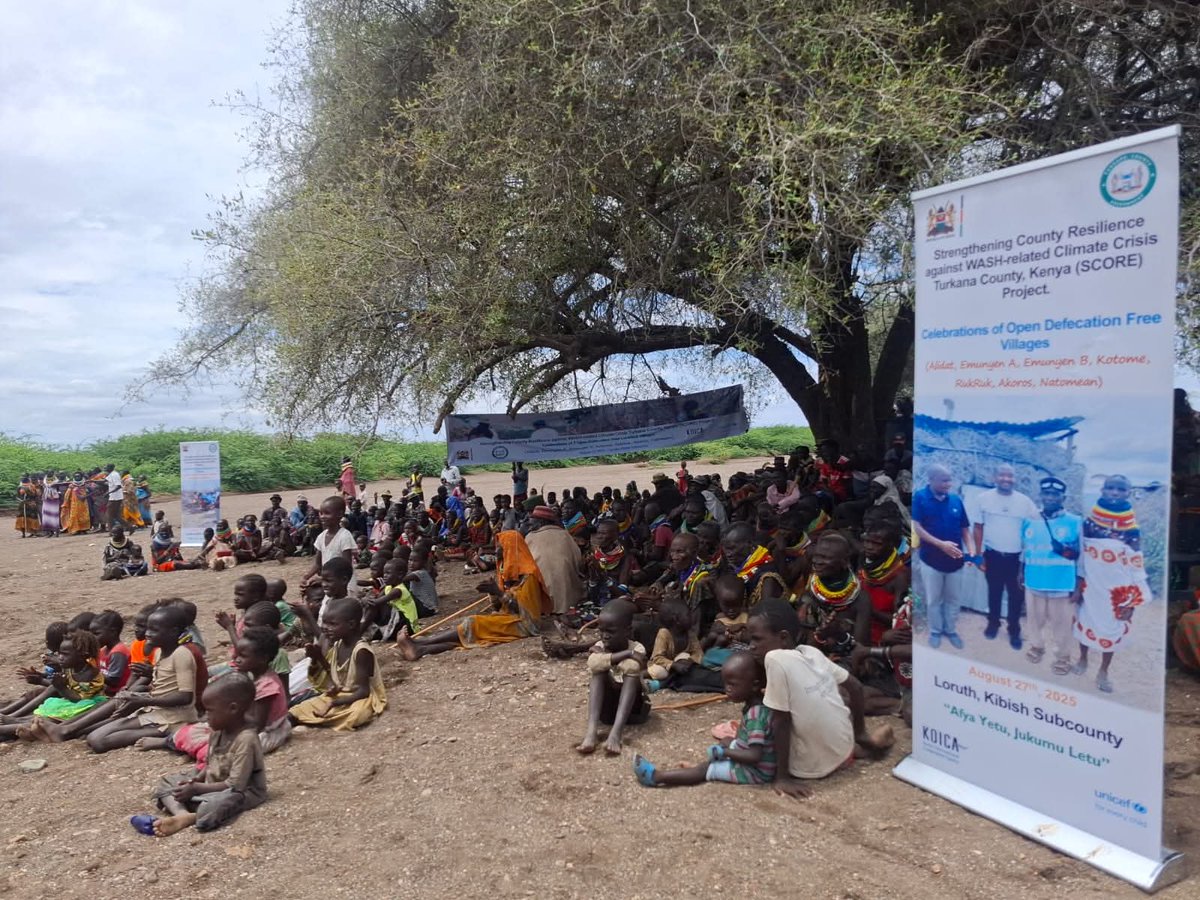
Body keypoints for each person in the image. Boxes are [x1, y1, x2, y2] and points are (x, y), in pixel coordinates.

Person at [747, 599, 893, 797]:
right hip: (843, 749)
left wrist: (782, 777)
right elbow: (856, 687)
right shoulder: (811, 652)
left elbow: (782, 721)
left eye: (757, 639)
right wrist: (860, 732)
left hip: (811, 767)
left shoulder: (775, 659)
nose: (751, 646)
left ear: (782, 638)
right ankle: (861, 744)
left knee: (757, 720)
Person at [135, 674, 266, 837]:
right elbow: (210, 764)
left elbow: (236, 785)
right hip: (213, 783)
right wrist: (196, 780)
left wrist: (198, 789)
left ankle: (195, 815)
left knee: (219, 804)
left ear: (233, 709)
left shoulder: (246, 739)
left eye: (210, 711)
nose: (205, 717)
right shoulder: (218, 731)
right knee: (168, 783)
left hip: (242, 791)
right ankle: (182, 814)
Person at [396, 530, 548, 658]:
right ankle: (420, 647)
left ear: (510, 548)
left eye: (500, 547)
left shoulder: (529, 576)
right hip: (509, 617)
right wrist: (493, 593)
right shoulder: (507, 571)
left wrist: (498, 592)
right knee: (468, 635)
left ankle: (423, 643)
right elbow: (497, 606)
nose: (496, 551)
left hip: (525, 624)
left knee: (472, 623)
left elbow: (523, 610)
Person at [632, 651, 775, 787]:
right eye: (725, 683)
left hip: (754, 771)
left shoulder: (756, 714)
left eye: (732, 684)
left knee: (702, 770)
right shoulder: (754, 705)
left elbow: (754, 755)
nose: (727, 689)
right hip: (751, 759)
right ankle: (715, 763)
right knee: (725, 741)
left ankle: (656, 777)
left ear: (755, 685)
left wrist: (724, 753)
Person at [77, 605, 204, 752]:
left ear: (174, 631)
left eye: (154, 630)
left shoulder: (181, 654)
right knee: (94, 736)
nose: (148, 634)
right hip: (156, 710)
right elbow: (160, 686)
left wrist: (143, 700)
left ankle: (171, 732)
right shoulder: (160, 652)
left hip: (174, 716)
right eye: (148, 629)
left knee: (98, 741)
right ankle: (72, 729)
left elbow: (185, 696)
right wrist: (137, 699)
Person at [1073, 475, 1148, 693]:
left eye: (1120, 489)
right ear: (1102, 491)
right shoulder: (1089, 524)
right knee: (1085, 622)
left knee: (1112, 629)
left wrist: (1132, 600)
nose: (1115, 492)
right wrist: (1079, 586)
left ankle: (1104, 671)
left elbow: (1135, 563)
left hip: (1117, 589)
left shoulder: (1132, 529)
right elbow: (1082, 557)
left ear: (1128, 493)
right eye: (1110, 488)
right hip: (1092, 585)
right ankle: (1083, 659)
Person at [290, 596, 387, 730]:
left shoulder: (361, 651)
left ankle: (322, 718)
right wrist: (316, 658)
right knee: (296, 710)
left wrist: (333, 703)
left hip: (357, 698)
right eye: (324, 623)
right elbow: (336, 677)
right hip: (340, 694)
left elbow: (363, 691)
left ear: (351, 624)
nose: (325, 628)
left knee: (357, 714)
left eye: (332, 624)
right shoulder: (338, 645)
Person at [1019, 477, 1083, 676]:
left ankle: (1063, 658)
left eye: (1055, 494)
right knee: (1034, 621)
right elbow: (1025, 549)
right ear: (1041, 495)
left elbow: (1080, 557)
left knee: (1062, 625)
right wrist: (1020, 572)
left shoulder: (1074, 522)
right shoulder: (1029, 520)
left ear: (1063, 497)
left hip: (1062, 585)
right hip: (1034, 581)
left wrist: (1079, 585)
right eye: (1046, 493)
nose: (1050, 497)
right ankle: (1037, 647)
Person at [971, 464, 1037, 648]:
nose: (1006, 479)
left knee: (1016, 596)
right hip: (992, 555)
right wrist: (978, 555)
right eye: (1002, 475)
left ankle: (1014, 630)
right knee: (994, 592)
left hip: (1017, 559)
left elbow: (1034, 529)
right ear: (994, 477)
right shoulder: (983, 499)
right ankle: (993, 624)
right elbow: (978, 527)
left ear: (1015, 479)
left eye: (1010, 476)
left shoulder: (1025, 502)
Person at [0, 630, 107, 740]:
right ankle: (14, 719)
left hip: (85, 705)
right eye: (60, 653)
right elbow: (61, 684)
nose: (60, 657)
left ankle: (10, 726)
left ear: (83, 655)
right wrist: (41, 678)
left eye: (65, 654)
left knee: (49, 720)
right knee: (46, 706)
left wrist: (61, 688)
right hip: (69, 701)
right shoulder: (71, 668)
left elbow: (79, 700)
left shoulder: (90, 674)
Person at [911, 465, 973, 650]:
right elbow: (917, 527)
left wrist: (971, 552)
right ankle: (936, 631)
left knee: (953, 599)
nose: (949, 484)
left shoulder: (956, 500)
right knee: (934, 599)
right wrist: (941, 545)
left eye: (950, 480)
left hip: (956, 562)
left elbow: (965, 530)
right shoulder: (920, 498)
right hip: (931, 561)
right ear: (931, 480)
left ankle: (951, 630)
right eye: (944, 480)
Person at [577, 600, 648, 756]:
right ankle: (591, 733)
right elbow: (594, 664)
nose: (604, 636)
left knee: (631, 677)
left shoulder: (637, 647)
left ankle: (616, 734)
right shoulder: (625, 650)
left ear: (628, 631)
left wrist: (605, 658)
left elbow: (632, 667)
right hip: (607, 713)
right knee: (598, 673)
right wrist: (627, 654)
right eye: (601, 631)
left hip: (634, 711)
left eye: (611, 631)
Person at [796, 532, 870, 657]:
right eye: (816, 556)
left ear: (844, 561)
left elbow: (860, 650)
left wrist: (839, 634)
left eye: (825, 558)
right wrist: (821, 636)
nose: (816, 561)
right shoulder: (809, 596)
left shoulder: (860, 599)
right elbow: (804, 645)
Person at [524, 506, 584, 614]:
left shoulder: (530, 537)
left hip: (541, 602)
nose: (529, 523)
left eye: (532, 520)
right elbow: (578, 561)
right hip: (567, 601)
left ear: (541, 521)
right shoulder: (565, 534)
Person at [721, 522, 786, 604]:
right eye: (726, 549)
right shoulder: (733, 565)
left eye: (732, 548)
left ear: (750, 544)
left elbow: (766, 612)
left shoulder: (767, 577)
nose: (728, 554)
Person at [301, 496, 356, 589]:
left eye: (327, 513)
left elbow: (346, 566)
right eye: (321, 513)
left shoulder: (344, 536)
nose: (322, 517)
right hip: (330, 583)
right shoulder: (321, 537)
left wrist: (323, 579)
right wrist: (306, 577)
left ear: (340, 514)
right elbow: (318, 564)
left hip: (344, 584)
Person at [646, 598, 702, 690]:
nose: (692, 616)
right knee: (660, 672)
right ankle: (645, 675)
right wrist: (674, 665)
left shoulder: (690, 634)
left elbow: (698, 653)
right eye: (688, 614)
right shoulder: (664, 633)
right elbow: (657, 658)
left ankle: (666, 682)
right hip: (663, 666)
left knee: (685, 657)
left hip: (680, 664)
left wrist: (690, 660)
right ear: (677, 620)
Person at [105, 464, 123, 530]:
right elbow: (105, 481)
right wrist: (93, 481)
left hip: (115, 497)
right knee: (116, 515)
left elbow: (118, 486)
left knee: (109, 515)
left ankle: (111, 530)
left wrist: (109, 492)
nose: (105, 468)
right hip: (114, 497)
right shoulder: (111, 474)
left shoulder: (114, 475)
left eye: (106, 467)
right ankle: (129, 527)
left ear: (111, 468)